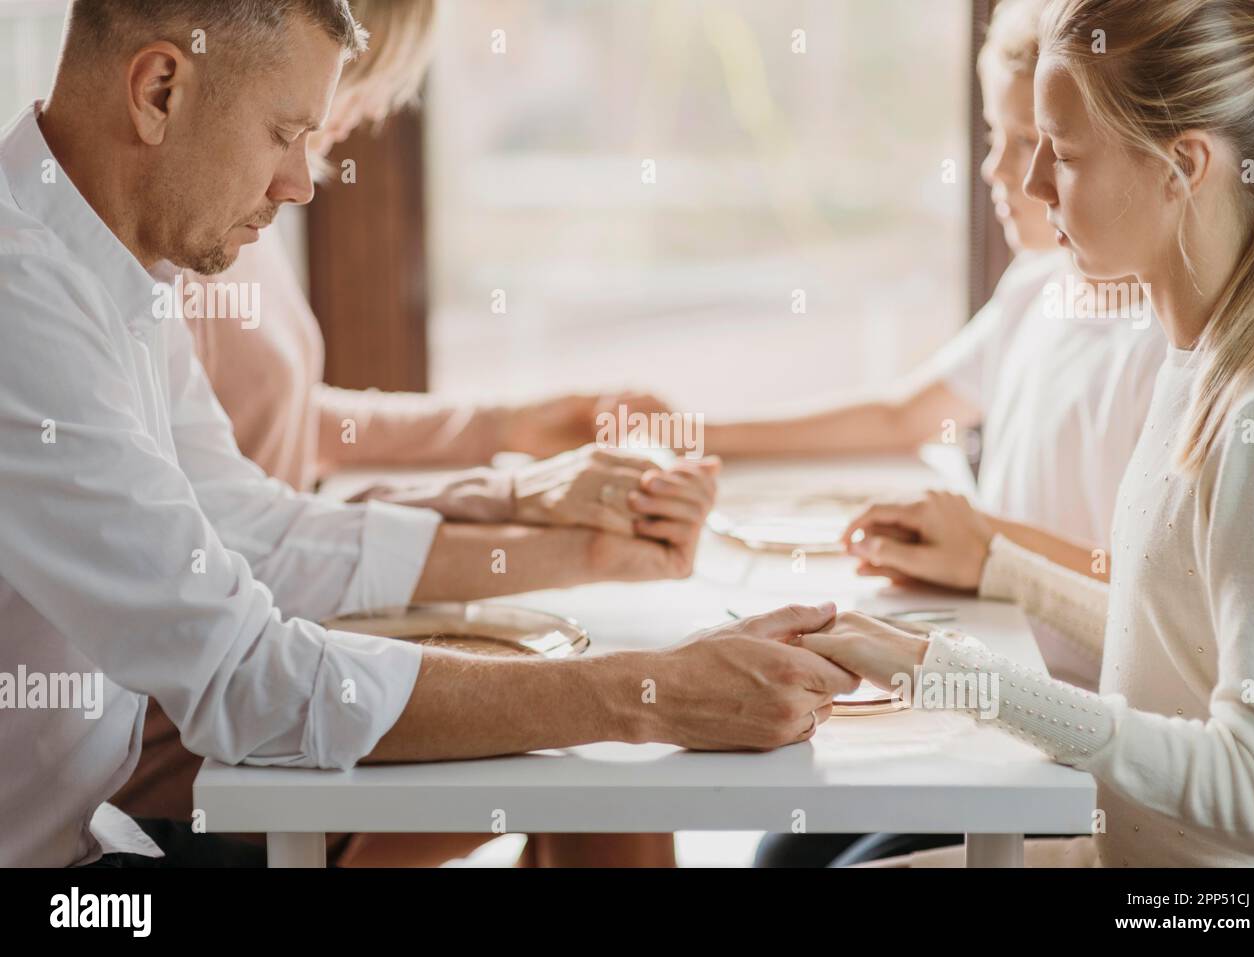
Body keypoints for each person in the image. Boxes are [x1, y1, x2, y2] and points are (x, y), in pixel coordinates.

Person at [0, 0, 860, 868]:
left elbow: (252, 530)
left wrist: (585, 559)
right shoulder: (19, 302)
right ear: (158, 89)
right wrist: (646, 692)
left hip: (96, 843)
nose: (300, 183)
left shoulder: (120, 267)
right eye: (283, 133)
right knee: (593, 772)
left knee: (590, 783)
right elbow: (244, 681)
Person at [802, 0, 1254, 868]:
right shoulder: (1199, 358)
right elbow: (1169, 644)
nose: (1033, 186)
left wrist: (967, 681)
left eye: (1062, 155)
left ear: (1182, 166)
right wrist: (936, 638)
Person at [753, 0, 1166, 867]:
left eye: (1038, 144)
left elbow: (1146, 597)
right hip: (989, 693)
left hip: (1068, 732)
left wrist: (980, 543)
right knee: (779, 850)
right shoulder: (1039, 288)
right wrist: (698, 435)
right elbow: (907, 409)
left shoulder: (1160, 344)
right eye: (1007, 138)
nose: (1006, 170)